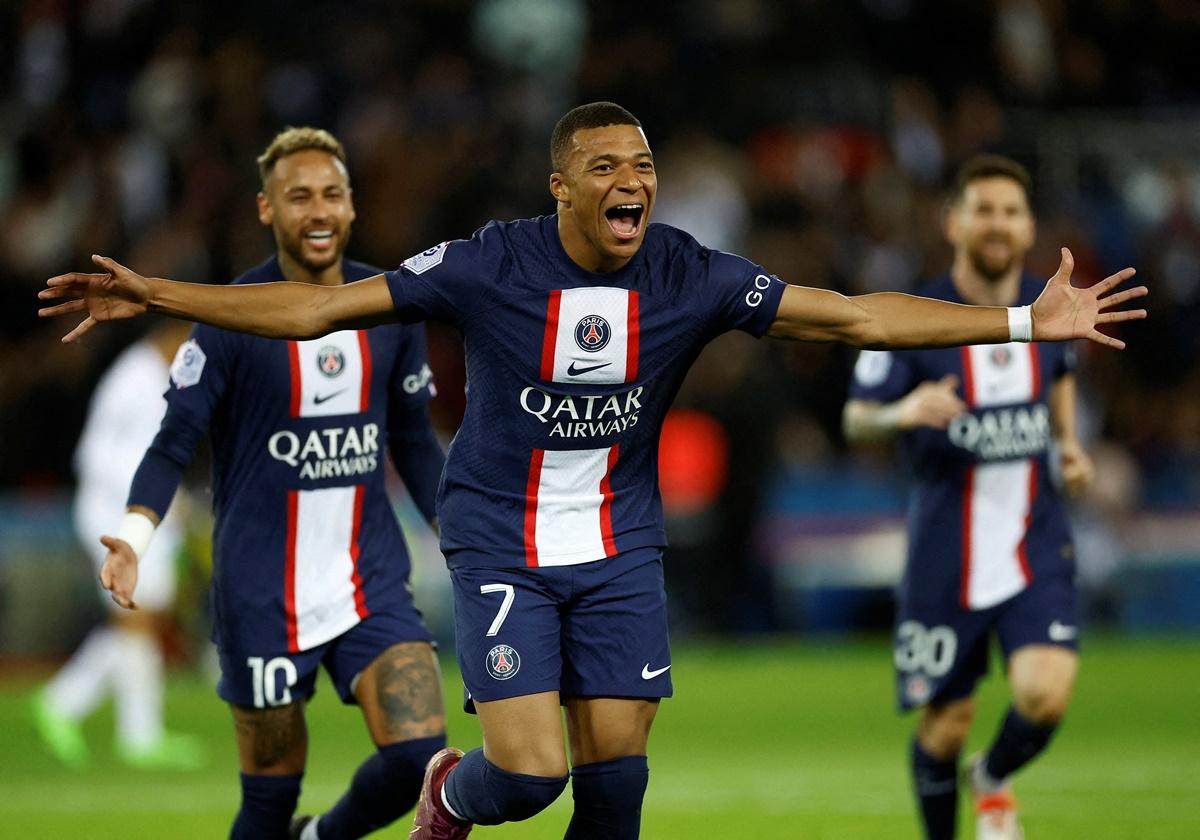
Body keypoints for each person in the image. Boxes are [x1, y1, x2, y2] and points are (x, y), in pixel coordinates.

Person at [40, 104, 1146, 840]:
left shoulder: (688, 272)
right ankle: (445, 790)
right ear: (561, 185)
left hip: (620, 544)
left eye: (647, 168)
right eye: (608, 168)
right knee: (527, 778)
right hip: (502, 538)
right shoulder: (489, 263)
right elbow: (318, 305)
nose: (635, 183)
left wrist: (1015, 320)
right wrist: (165, 295)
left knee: (616, 785)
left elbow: (854, 314)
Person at [63, 127, 449, 840]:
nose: (319, 210)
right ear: (267, 210)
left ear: (352, 206)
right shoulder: (229, 318)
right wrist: (136, 538)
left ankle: (321, 838)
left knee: (422, 757)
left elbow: (414, 444)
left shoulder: (391, 306)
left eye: (332, 193)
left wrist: (465, 543)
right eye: (298, 196)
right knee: (268, 802)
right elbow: (173, 438)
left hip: (369, 581)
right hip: (260, 593)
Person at [843, 155, 1100, 840]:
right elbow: (855, 417)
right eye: (983, 209)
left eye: (1011, 211)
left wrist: (1069, 443)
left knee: (1044, 694)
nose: (997, 224)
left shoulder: (1051, 309)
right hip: (945, 551)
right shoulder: (914, 317)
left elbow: (1063, 369)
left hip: (1034, 539)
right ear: (952, 222)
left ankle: (991, 777)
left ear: (1028, 227)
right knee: (946, 723)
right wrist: (901, 412)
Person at [31, 318, 206, 771]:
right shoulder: (138, 379)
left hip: (135, 511)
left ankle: (93, 714)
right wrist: (149, 507)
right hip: (116, 511)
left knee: (140, 619)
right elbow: (97, 454)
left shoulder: (150, 375)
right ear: (170, 336)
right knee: (137, 617)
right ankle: (116, 725)